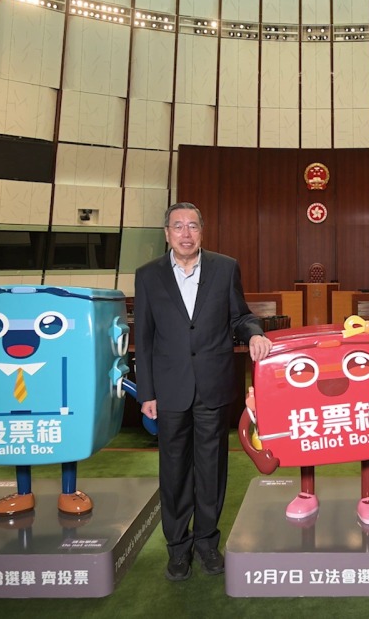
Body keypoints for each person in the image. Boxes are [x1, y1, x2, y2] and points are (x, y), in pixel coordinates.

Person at [134, 202, 272, 582]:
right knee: (174, 470)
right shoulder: (148, 275)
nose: (185, 233)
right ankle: (178, 548)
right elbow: (143, 337)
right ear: (167, 233)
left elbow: (240, 316)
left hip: (212, 384)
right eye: (178, 226)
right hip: (169, 388)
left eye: (192, 226)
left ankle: (208, 543)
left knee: (211, 469)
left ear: (201, 231)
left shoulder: (224, 268)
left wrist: (254, 334)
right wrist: (146, 392)